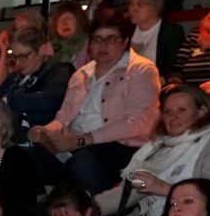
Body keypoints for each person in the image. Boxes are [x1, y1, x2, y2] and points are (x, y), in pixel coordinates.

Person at [32, 13, 161, 199]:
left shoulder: (141, 69)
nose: (103, 45)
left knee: (82, 162)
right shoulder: (82, 73)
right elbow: (64, 117)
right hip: (77, 144)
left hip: (121, 147)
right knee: (24, 158)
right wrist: (46, 131)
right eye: (97, 39)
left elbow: (138, 123)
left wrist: (83, 140)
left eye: (111, 39)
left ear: (124, 42)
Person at [117, 82, 210, 216]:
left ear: (201, 112)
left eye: (182, 110)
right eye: (167, 112)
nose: (173, 117)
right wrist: (92, 209)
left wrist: (164, 188)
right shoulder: (155, 147)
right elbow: (122, 195)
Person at [0, 29, 73, 131]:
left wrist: (9, 100)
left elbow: (50, 100)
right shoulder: (16, 75)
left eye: (23, 57)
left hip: (39, 139)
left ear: (40, 50)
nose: (17, 63)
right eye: (14, 57)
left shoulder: (59, 70)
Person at [121, 0, 189, 81]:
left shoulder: (170, 32)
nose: (133, 9)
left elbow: (175, 68)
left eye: (140, 4)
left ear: (155, 5)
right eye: (131, 4)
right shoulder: (125, 32)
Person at [48, 0, 92, 71]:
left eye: (69, 19)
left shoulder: (89, 45)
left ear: (79, 22)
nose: (65, 23)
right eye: (61, 20)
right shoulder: (49, 49)